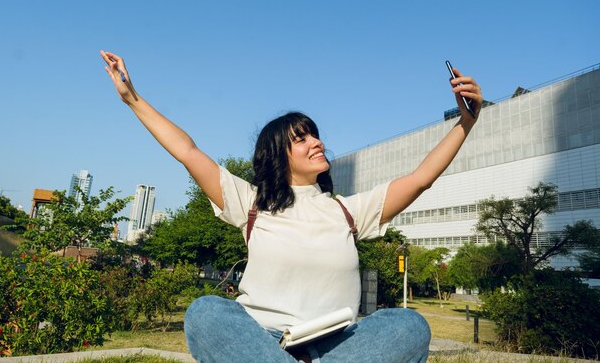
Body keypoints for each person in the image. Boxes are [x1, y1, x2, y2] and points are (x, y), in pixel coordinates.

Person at [100, 50, 483, 363]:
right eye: (301, 139)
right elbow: (187, 151)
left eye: (314, 135)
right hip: (261, 343)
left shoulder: (349, 212)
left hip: (337, 347)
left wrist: (466, 122)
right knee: (205, 312)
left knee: (408, 327)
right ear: (278, 157)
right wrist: (133, 98)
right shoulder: (250, 203)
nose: (315, 142)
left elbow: (420, 179)